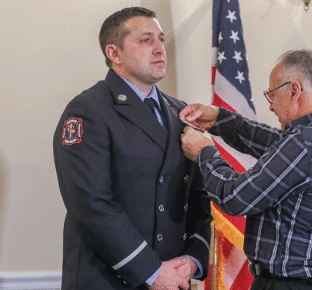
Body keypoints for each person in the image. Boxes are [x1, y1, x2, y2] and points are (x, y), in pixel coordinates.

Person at [180, 50, 312, 290]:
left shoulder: (303, 142)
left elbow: (234, 198)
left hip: (287, 286)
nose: (270, 106)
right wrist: (220, 119)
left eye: (271, 94)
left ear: (294, 90)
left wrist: (205, 152)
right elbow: (279, 145)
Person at [53, 7, 212, 290]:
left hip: (173, 278)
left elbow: (199, 197)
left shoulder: (181, 113)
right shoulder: (87, 111)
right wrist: (151, 271)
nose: (160, 48)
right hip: (107, 280)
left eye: (161, 39)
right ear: (114, 54)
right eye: (146, 40)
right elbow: (90, 204)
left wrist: (192, 258)